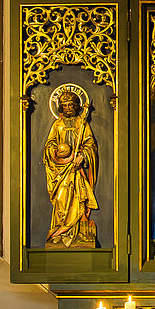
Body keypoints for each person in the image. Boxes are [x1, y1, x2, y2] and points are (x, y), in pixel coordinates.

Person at [42, 88, 98, 246]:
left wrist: (83, 156)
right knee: (61, 199)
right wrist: (57, 152)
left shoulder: (82, 124)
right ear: (60, 107)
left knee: (78, 198)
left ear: (76, 107)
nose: (68, 108)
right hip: (61, 170)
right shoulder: (57, 125)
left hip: (76, 170)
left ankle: (76, 231)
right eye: (65, 106)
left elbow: (90, 144)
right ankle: (60, 230)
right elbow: (49, 145)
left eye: (71, 106)